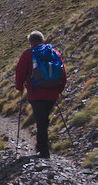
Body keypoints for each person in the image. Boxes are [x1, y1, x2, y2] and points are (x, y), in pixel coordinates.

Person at [14, 30, 67, 158]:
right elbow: (63, 73)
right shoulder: (55, 53)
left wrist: (19, 86)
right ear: (42, 40)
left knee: (41, 120)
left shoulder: (28, 54)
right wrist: (58, 89)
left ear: (30, 42)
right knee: (44, 119)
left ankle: (44, 150)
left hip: (35, 93)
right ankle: (42, 146)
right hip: (52, 93)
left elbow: (20, 72)